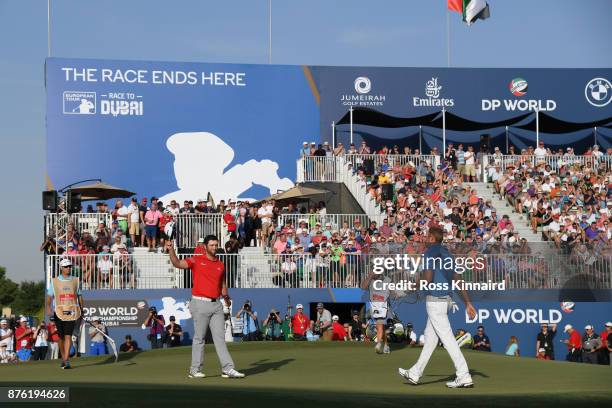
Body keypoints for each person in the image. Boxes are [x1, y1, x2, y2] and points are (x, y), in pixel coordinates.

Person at [398, 226, 478, 388]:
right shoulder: (447, 253)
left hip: (435, 302)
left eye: (427, 236)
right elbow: (457, 278)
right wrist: (468, 302)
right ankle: (415, 372)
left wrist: (408, 289)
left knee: (448, 339)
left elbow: (427, 280)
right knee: (430, 338)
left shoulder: (429, 253)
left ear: (432, 239)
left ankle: (463, 374)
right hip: (446, 300)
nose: (425, 238)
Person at [166, 236, 245, 379]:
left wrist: (226, 298)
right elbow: (177, 263)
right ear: (205, 246)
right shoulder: (196, 260)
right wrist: (171, 250)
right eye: (212, 245)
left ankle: (228, 368)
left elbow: (223, 285)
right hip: (199, 303)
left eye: (216, 245)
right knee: (199, 338)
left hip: (217, 305)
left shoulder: (221, 264)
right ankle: (194, 370)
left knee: (220, 338)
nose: (214, 248)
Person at [45, 258, 84, 369]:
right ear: (61, 268)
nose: (69, 268)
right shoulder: (55, 281)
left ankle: (66, 360)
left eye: (70, 266)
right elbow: (50, 297)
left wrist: (82, 310)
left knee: (68, 336)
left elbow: (80, 296)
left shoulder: (76, 280)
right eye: (66, 266)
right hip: (59, 312)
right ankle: (63, 358)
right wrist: (48, 307)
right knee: (61, 338)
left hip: (72, 311)